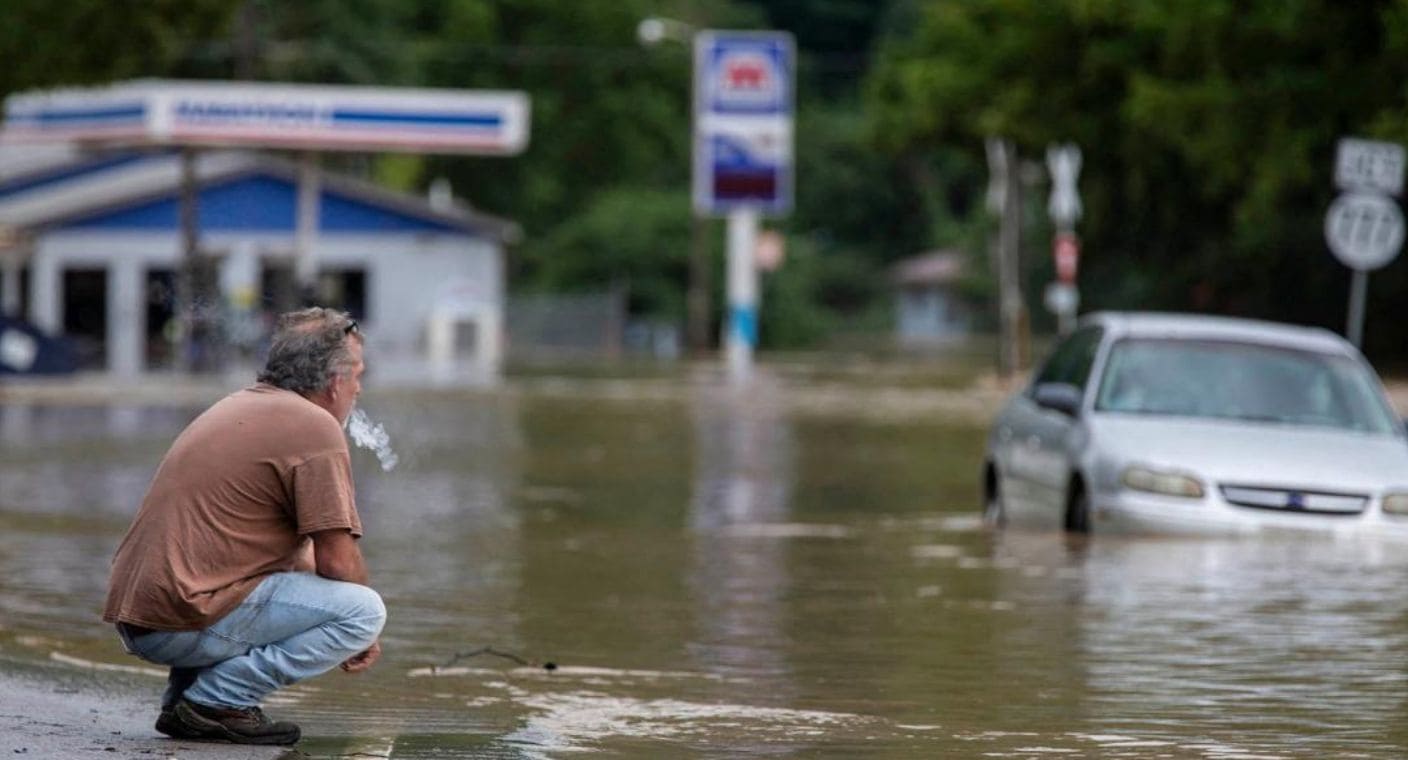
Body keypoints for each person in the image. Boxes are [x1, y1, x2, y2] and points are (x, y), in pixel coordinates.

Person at [103, 307, 385, 746]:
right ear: (333, 383)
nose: (359, 389)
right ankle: (217, 701)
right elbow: (338, 560)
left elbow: (303, 558)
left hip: (145, 615)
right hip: (178, 619)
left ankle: (185, 703)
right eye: (357, 376)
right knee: (364, 611)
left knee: (279, 576)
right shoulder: (314, 427)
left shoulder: (243, 404)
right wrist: (365, 634)